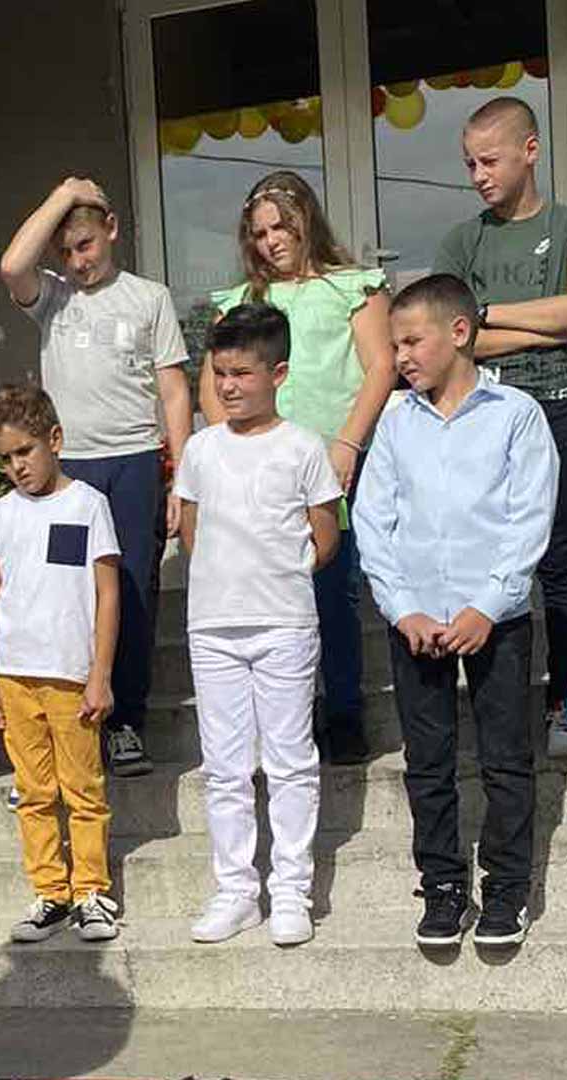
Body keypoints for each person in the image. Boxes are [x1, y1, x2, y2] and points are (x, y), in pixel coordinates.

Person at [355, 274, 559, 949]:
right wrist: (401, 608)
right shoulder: (395, 422)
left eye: (413, 342)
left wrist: (488, 606)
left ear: (460, 333)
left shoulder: (516, 415)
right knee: (428, 760)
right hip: (416, 621)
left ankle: (506, 886)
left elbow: (529, 518)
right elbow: (373, 521)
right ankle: (442, 884)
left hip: (494, 619)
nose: (401, 357)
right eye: (395, 345)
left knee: (505, 758)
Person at [0, 176, 194, 778]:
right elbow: (11, 266)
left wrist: (181, 476)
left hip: (134, 464)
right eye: (66, 252)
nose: (77, 261)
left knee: (130, 591)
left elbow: (173, 390)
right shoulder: (53, 297)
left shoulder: (149, 297)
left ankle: (125, 719)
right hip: (72, 473)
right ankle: (72, 720)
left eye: (85, 245)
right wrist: (62, 196)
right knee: (70, 592)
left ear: (111, 231)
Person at [432, 97, 567, 759]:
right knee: (486, 559)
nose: (478, 175)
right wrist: (541, 323)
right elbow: (453, 339)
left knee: (560, 557)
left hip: (556, 405)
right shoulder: (461, 240)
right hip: (481, 414)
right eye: (469, 164)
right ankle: (497, 713)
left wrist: (489, 312)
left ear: (530, 151)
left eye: (490, 161)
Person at [206, 171, 395, 765]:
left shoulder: (352, 287)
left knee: (332, 588)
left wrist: (348, 445)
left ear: (306, 221)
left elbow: (381, 367)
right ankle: (285, 715)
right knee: (273, 596)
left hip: (331, 464)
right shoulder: (241, 302)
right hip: (262, 471)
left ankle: (343, 711)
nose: (271, 242)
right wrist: (229, 453)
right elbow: (214, 383)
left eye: (280, 228)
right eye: (259, 233)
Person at [175, 304, 342, 947]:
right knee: (224, 766)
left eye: (242, 373)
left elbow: (324, 536)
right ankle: (237, 890)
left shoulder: (302, 447)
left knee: (290, 760)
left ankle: (292, 889)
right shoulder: (200, 449)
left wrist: (277, 575)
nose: (228, 386)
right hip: (213, 626)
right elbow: (192, 531)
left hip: (284, 624)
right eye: (220, 373)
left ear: (278, 374)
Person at [0, 385, 123, 944]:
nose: (17, 466)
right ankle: (50, 892)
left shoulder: (88, 504)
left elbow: (107, 593)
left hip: (70, 674)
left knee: (82, 788)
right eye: (5, 458)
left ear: (54, 440)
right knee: (33, 792)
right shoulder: (0, 515)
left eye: (25, 451)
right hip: (14, 674)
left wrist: (100, 674)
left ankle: (91, 891)